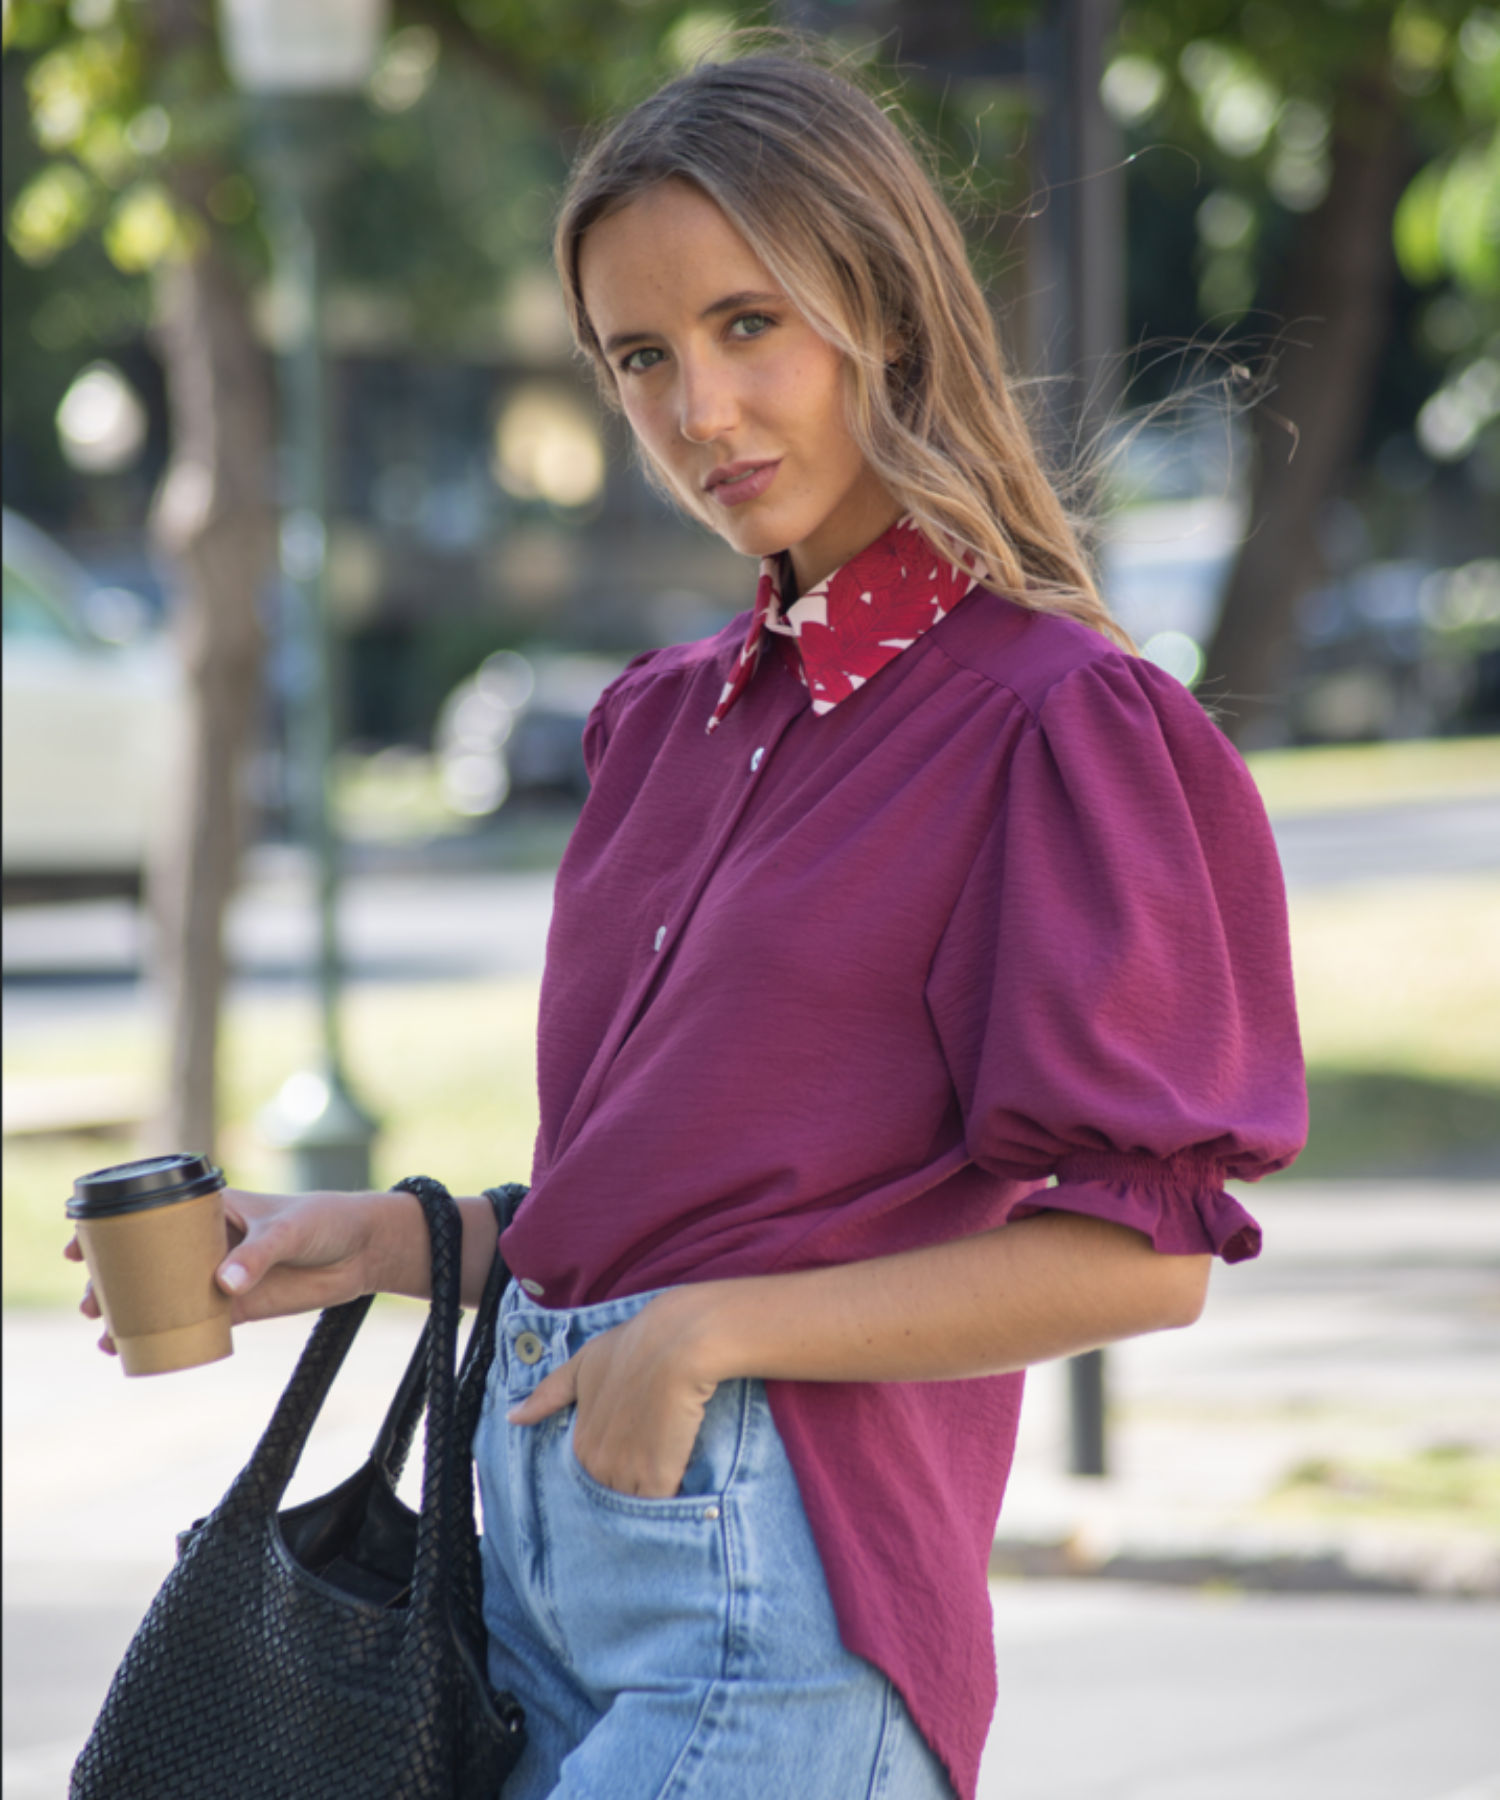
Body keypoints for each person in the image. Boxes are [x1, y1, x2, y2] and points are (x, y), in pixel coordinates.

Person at [71, 46, 1306, 1800]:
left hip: (772, 1616)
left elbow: (1146, 1256)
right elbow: (709, 1193)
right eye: (640, 356)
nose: (697, 411)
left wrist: (711, 1339)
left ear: (878, 311)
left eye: (748, 326)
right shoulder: (665, 721)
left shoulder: (1053, 721)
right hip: (527, 1605)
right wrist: (389, 1243)